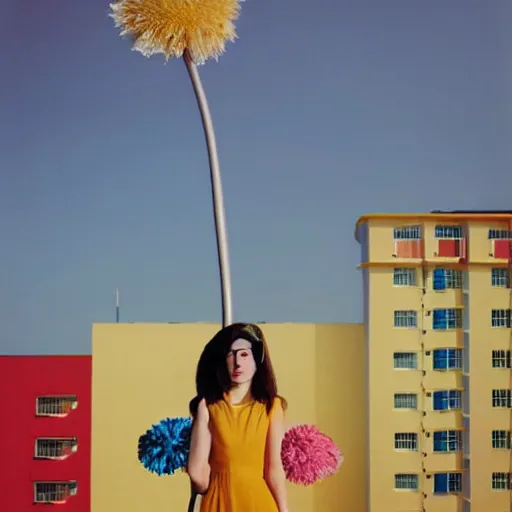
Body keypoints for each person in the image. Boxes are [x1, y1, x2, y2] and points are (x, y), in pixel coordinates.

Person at [187, 323, 289, 512]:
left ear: (257, 358)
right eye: (229, 354)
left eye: (244, 354)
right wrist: (200, 421)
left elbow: (274, 470)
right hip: (218, 503)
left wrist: (284, 510)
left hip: (259, 503)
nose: (237, 362)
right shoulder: (208, 407)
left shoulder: (271, 407)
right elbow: (198, 476)